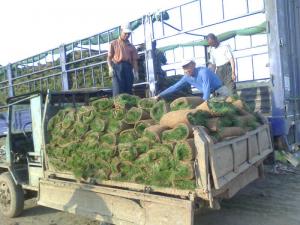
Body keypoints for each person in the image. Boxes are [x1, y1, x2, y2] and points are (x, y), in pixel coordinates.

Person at [153, 60, 229, 101]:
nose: (186, 70)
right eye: (184, 68)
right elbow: (174, 87)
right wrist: (159, 95)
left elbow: (206, 89)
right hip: (213, 94)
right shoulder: (186, 77)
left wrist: (204, 103)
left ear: (193, 65)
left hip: (221, 91)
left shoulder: (203, 72)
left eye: (187, 67)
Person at [107, 23, 139, 96]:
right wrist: (110, 67)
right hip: (117, 67)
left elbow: (134, 61)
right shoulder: (113, 43)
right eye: (125, 33)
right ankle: (118, 106)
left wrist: (136, 72)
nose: (127, 35)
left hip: (128, 68)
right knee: (117, 89)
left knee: (128, 89)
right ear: (121, 31)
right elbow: (109, 57)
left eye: (129, 34)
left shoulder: (132, 47)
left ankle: (128, 106)